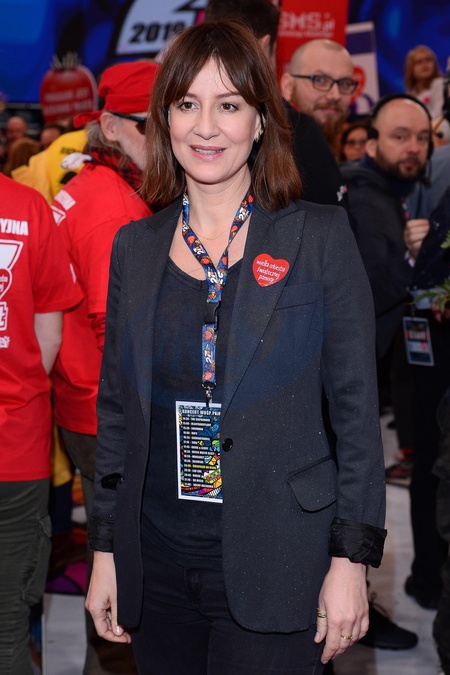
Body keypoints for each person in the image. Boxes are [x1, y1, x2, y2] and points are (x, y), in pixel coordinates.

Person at [86, 20, 387, 675]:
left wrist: (352, 560)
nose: (205, 127)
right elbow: (116, 415)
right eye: (186, 104)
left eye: (228, 105)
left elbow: (358, 414)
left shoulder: (320, 238)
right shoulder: (134, 248)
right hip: (157, 562)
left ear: (260, 121)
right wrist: (105, 550)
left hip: (282, 556)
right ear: (164, 119)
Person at [50, 59, 158, 675]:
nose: (168, 135)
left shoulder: (89, 184)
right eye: (152, 124)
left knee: (110, 552)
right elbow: (113, 329)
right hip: (105, 412)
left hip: (83, 400)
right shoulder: (112, 206)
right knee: (122, 561)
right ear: (112, 126)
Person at [0, 174, 82, 673]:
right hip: (16, 440)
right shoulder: (29, 207)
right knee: (7, 627)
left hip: (20, 447)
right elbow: (48, 335)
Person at [204, 0, 346, 206]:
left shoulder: (180, 125)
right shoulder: (294, 129)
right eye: (188, 106)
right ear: (265, 46)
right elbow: (334, 216)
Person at [280, 39, 357, 157]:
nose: (335, 95)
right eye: (320, 80)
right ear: (288, 86)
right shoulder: (269, 158)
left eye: (344, 83)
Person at [404, 45, 444, 119]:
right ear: (411, 69)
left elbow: (439, 114)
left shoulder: (440, 84)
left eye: (428, 60)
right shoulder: (410, 95)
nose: (425, 64)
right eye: (419, 62)